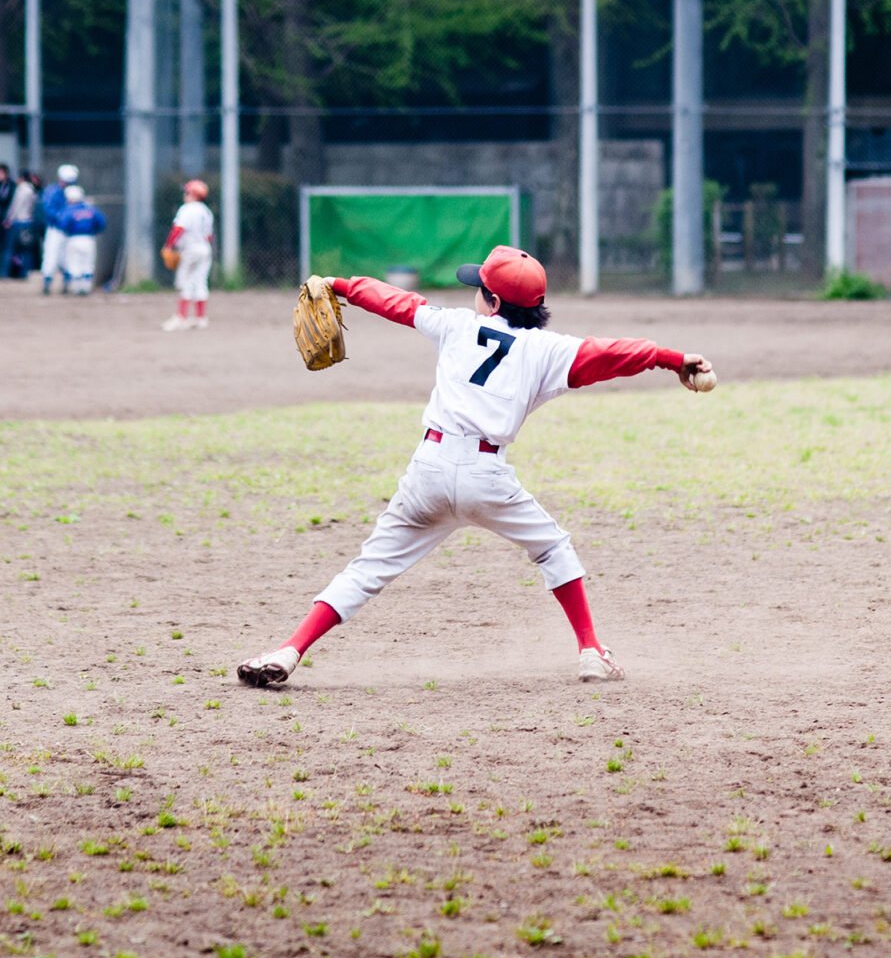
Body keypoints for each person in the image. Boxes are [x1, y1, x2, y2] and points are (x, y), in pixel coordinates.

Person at [236, 245, 714, 689]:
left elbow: (398, 302)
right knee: (552, 548)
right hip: (488, 477)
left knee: (368, 569)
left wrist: (341, 283)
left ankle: (289, 651)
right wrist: (673, 359)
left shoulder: (456, 326)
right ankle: (591, 649)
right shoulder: (550, 351)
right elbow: (616, 353)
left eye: (479, 288)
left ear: (491, 300)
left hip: (430, 467)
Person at [160, 178, 214, 332]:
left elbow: (178, 228)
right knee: (200, 281)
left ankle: (181, 317)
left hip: (191, 249)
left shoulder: (187, 209)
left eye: (187, 191)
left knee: (185, 281)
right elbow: (209, 236)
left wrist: (168, 246)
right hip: (205, 248)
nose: (185, 194)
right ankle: (200, 318)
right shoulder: (206, 211)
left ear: (192, 194)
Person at [55, 186, 107, 295]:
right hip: (89, 238)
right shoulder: (91, 209)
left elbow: (62, 224)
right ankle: (86, 288)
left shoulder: (69, 210)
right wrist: (95, 231)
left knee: (74, 263)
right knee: (88, 263)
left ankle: (76, 288)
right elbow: (101, 223)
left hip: (73, 239)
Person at [40, 163, 78, 295]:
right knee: (51, 256)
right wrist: (62, 219)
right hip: (55, 229)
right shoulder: (52, 191)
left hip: (69, 231)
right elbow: (48, 210)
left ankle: (67, 285)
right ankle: (47, 284)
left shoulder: (73, 192)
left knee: (67, 259)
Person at [6, 170, 39, 279]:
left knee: (13, 249)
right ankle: (25, 271)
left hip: (19, 221)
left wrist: (9, 219)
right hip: (28, 221)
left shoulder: (22, 190)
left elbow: (16, 206)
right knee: (26, 249)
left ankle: (10, 272)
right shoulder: (32, 190)